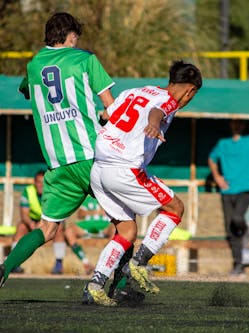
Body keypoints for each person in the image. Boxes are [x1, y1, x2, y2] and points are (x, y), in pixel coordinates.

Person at [0, 12, 115, 304]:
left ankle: (5, 268)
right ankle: (120, 285)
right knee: (125, 221)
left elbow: (28, 91)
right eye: (76, 36)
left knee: (47, 229)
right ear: (71, 36)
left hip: (57, 165)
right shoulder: (85, 59)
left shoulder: (34, 65)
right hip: (92, 157)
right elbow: (111, 107)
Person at [82, 60, 203, 306]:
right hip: (125, 170)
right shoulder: (168, 101)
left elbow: (109, 114)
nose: (189, 99)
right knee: (175, 208)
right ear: (189, 89)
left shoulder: (135, 91)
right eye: (193, 94)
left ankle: (95, 285)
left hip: (99, 169)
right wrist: (154, 123)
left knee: (126, 231)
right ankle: (139, 263)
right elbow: (157, 112)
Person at [207, 119, 249, 277]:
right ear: (230, 125)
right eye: (234, 123)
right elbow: (211, 158)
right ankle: (238, 265)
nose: (237, 125)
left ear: (244, 125)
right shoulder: (223, 143)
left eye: (240, 123)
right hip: (227, 190)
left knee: (237, 218)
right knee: (231, 229)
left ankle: (244, 229)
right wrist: (217, 177)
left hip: (246, 187)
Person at [9, 170, 67, 275]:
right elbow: (24, 215)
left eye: (43, 182)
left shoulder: (54, 192)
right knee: (21, 227)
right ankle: (14, 263)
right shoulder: (28, 191)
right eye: (38, 182)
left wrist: (46, 226)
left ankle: (59, 264)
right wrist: (32, 224)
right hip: (33, 220)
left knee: (59, 230)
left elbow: (60, 215)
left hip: (51, 221)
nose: (41, 185)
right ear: (34, 183)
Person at [61, 195, 116, 275]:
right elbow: (80, 214)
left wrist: (91, 212)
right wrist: (96, 212)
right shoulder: (87, 197)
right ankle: (85, 262)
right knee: (68, 231)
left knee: (115, 230)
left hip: (104, 225)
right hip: (86, 225)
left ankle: (104, 261)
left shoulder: (107, 195)